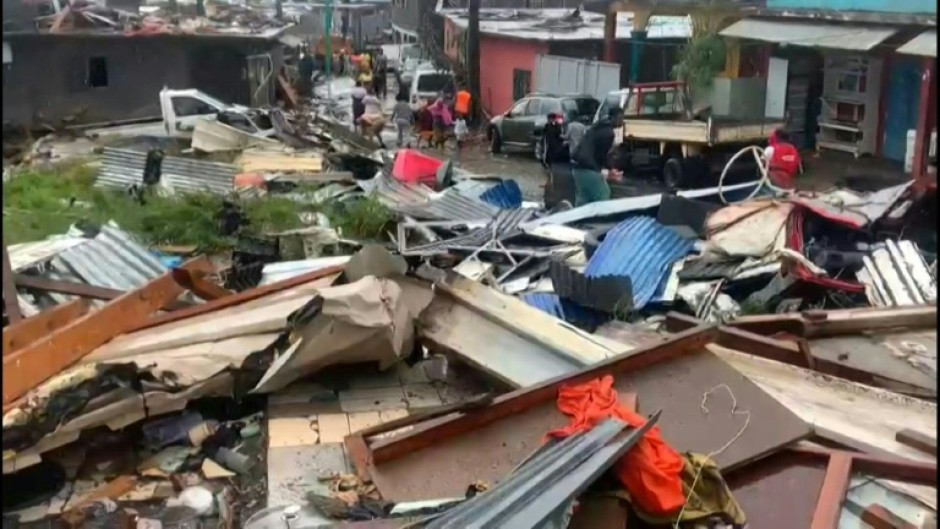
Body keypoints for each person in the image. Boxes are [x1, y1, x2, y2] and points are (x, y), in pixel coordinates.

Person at [571, 107, 623, 206]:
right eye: (620, 118)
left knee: (583, 198)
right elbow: (602, 155)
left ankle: (578, 219)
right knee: (603, 194)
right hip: (589, 168)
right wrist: (608, 170)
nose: (622, 121)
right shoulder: (609, 133)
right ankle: (599, 220)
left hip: (577, 169)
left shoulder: (597, 127)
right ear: (613, 118)